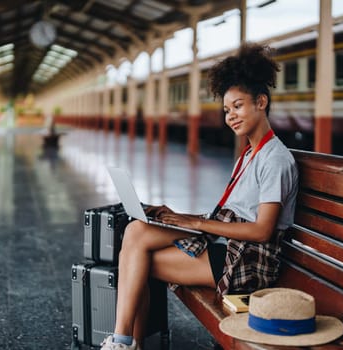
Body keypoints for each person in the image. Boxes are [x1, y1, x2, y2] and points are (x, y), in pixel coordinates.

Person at [100, 42, 299, 350]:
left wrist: (196, 224)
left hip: (247, 261)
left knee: (139, 258)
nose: (230, 116)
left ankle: (126, 342)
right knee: (137, 230)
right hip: (227, 246)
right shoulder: (249, 155)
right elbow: (233, 213)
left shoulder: (275, 159)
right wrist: (182, 217)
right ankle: (126, 341)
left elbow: (262, 231)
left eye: (238, 106)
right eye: (226, 110)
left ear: (261, 102)